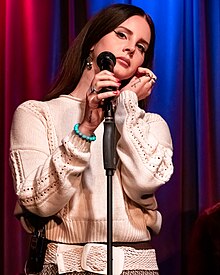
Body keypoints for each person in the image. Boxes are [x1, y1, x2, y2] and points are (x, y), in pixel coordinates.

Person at [9, 3, 174, 275]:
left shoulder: (149, 123)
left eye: (142, 46)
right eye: (122, 35)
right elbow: (37, 202)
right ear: (92, 42)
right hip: (60, 265)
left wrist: (127, 107)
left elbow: (144, 181)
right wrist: (85, 129)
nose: (132, 48)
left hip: (134, 266)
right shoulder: (37, 113)